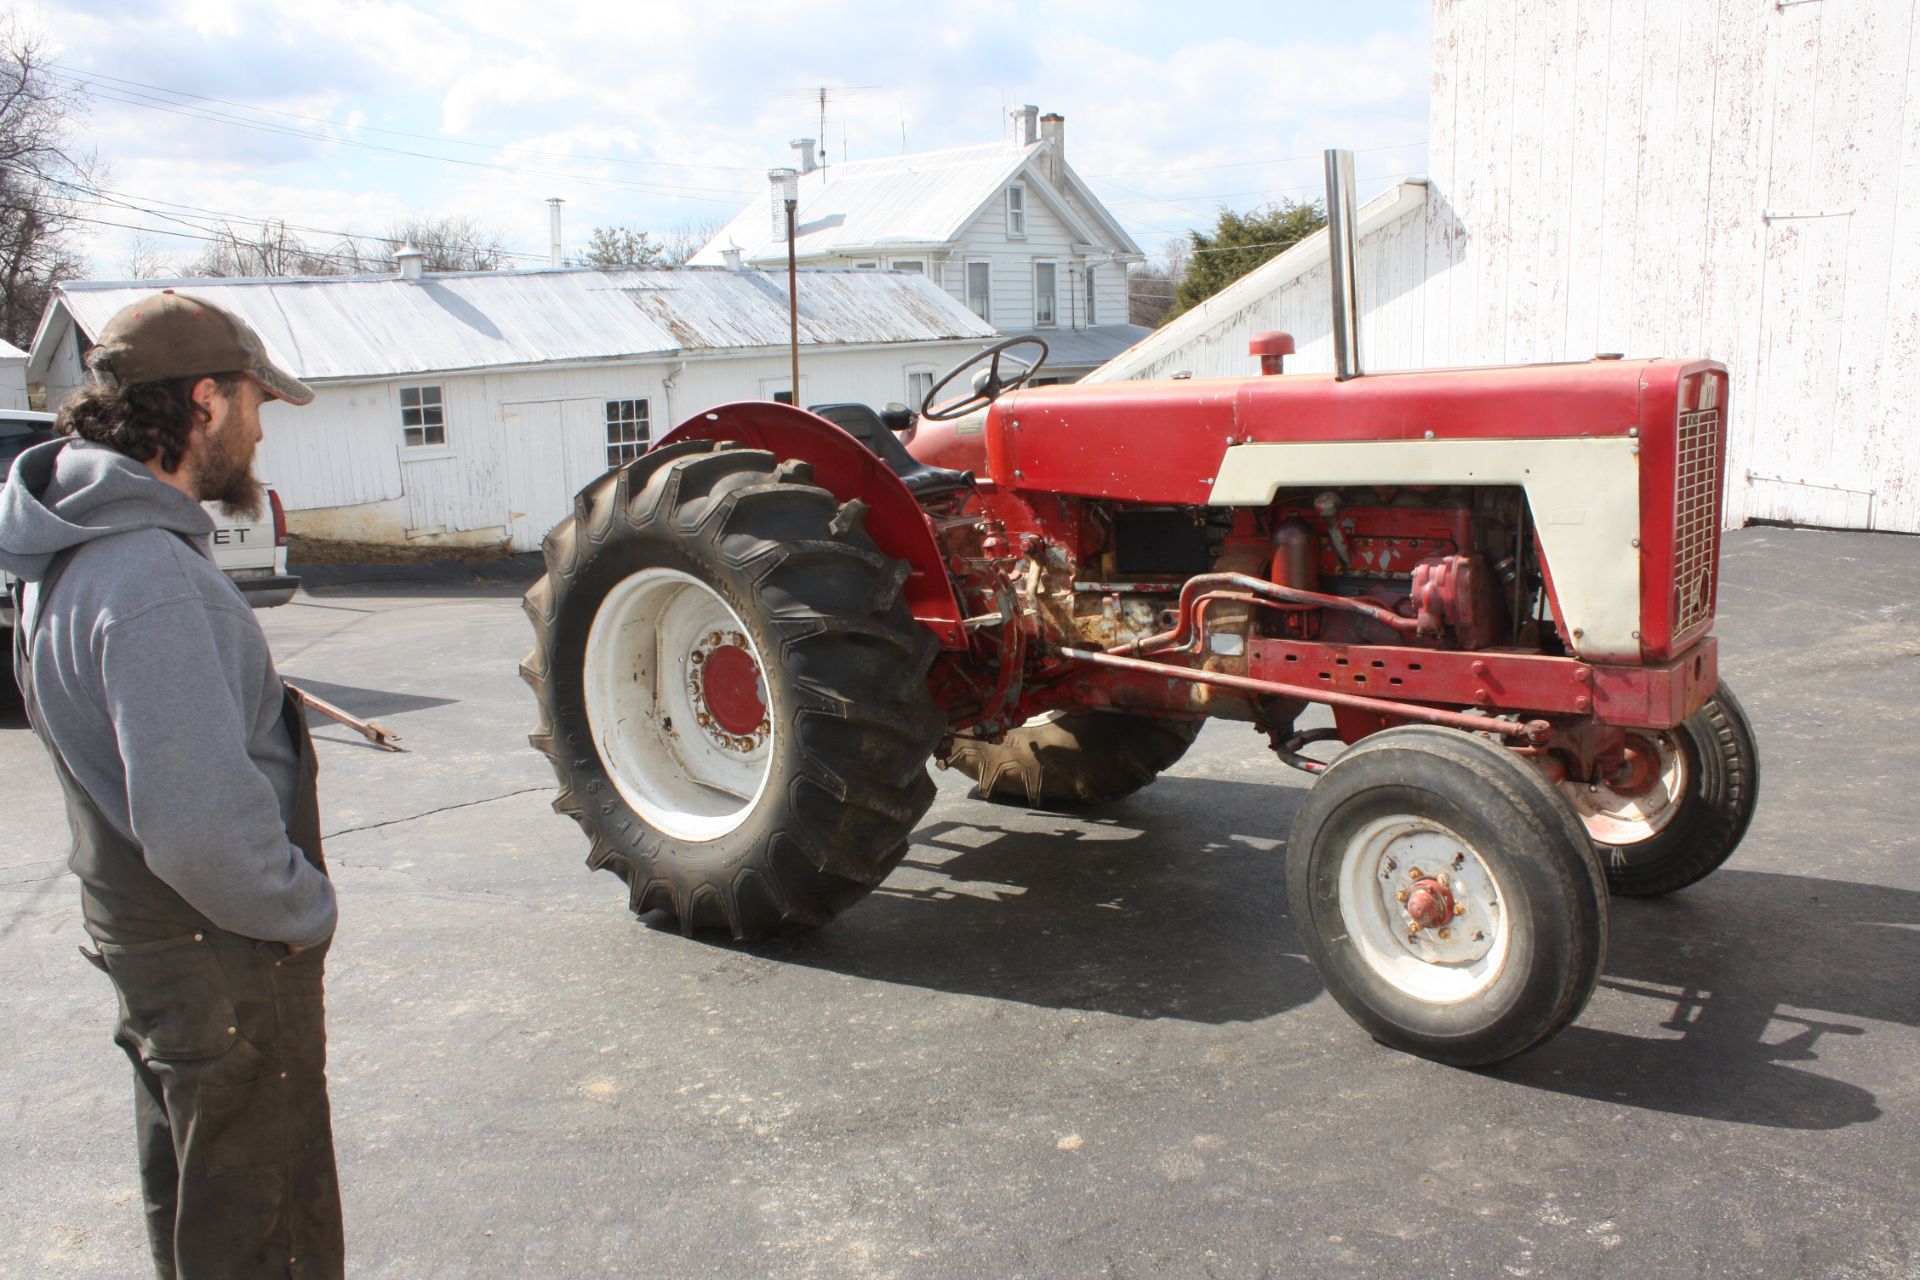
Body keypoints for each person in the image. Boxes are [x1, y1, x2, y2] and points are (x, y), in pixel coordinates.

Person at [0, 291, 343, 1279]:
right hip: (217, 957)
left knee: (201, 1203)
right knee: (265, 1235)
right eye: (255, 400)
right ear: (204, 401)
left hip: (152, 944)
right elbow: (196, 828)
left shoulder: (67, 552)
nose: (263, 424)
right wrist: (299, 906)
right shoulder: (145, 574)